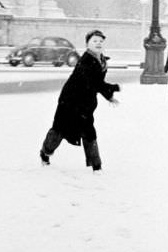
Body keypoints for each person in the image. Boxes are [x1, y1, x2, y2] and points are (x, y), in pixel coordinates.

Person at [39, 29, 120, 171]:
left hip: (85, 104)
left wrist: (109, 95)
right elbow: (93, 82)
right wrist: (112, 88)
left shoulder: (100, 60)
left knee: (89, 133)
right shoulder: (86, 61)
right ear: (88, 44)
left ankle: (96, 166)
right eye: (94, 41)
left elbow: (96, 83)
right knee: (59, 130)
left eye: (101, 41)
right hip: (70, 102)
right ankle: (45, 152)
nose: (98, 43)